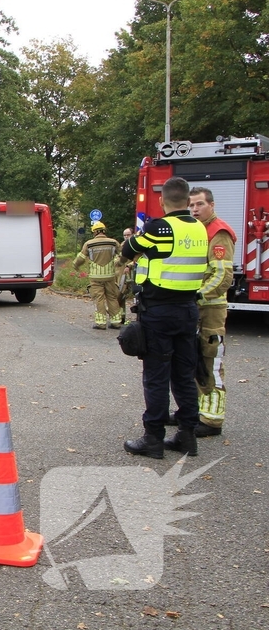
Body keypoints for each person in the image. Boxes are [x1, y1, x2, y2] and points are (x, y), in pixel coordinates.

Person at [121, 176, 207, 459]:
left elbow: (128, 250)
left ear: (162, 200)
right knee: (184, 375)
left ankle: (153, 439)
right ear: (187, 201)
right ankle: (187, 436)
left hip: (159, 312)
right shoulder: (200, 229)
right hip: (188, 310)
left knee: (156, 376)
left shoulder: (159, 228)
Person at [169, 187, 235, 437]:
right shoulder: (197, 231)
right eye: (191, 205)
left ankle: (212, 420)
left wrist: (196, 296)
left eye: (199, 205)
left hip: (210, 308)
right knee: (192, 361)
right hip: (192, 309)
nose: (195, 210)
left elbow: (222, 276)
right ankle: (194, 411)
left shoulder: (218, 232)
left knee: (210, 359)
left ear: (212, 205)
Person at [73, 221, 122, 330]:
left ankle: (101, 323)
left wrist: (76, 266)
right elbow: (122, 255)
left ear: (94, 232)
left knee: (99, 298)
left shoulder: (89, 244)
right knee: (112, 297)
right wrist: (120, 263)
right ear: (104, 231)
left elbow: (81, 258)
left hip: (95, 277)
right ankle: (116, 322)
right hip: (110, 276)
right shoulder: (113, 242)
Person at [115, 228, 136, 323]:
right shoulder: (122, 245)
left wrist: (129, 265)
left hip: (127, 274)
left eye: (128, 235)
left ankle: (114, 313)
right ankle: (121, 317)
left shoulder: (135, 245)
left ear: (133, 234)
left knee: (121, 294)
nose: (126, 237)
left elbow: (138, 259)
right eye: (125, 235)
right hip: (117, 273)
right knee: (119, 295)